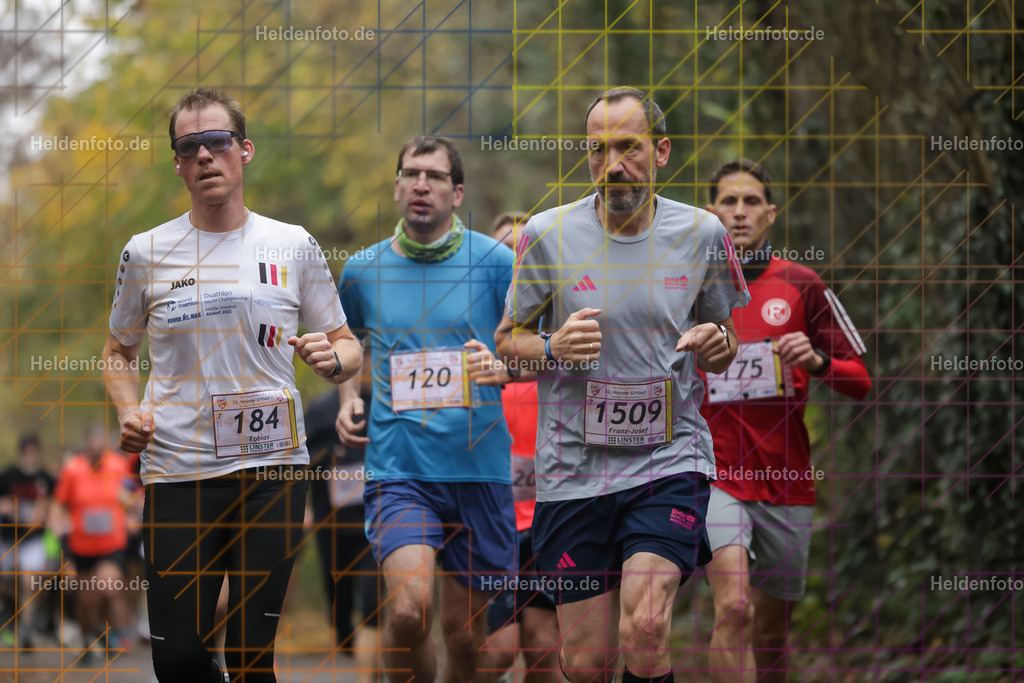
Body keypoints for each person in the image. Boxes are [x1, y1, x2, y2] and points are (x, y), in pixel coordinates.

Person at [101, 87, 362, 683]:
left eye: (216, 142)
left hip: (272, 471)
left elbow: (348, 347)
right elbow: (117, 354)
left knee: (249, 657)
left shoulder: (291, 243)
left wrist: (333, 360)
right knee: (177, 661)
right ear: (177, 162)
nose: (204, 156)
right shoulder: (146, 252)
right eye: (188, 146)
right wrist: (127, 411)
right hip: (179, 471)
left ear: (244, 151)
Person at [496, 87, 751, 683]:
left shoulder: (703, 232)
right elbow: (509, 343)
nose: (614, 164)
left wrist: (718, 344)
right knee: (585, 664)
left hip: (668, 461)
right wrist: (550, 346)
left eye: (629, 147)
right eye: (598, 150)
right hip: (573, 472)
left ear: (661, 151)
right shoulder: (546, 233)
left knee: (645, 626)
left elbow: (725, 336)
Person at [335, 135, 517, 682]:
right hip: (401, 469)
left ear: (457, 192)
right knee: (410, 611)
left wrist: (504, 367)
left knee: (466, 638)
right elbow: (349, 344)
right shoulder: (363, 271)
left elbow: (530, 346)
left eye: (435, 176)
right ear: (396, 188)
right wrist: (348, 398)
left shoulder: (497, 262)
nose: (421, 185)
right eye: (411, 174)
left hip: (478, 468)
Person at [701, 159, 871, 683]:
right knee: (733, 609)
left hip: (786, 478)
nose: (739, 212)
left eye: (751, 202)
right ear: (710, 212)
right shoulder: (688, 285)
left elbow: (860, 381)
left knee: (772, 633)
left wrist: (816, 362)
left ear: (770, 214)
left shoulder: (803, 284)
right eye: (728, 202)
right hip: (714, 472)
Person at [483, 212, 561, 683]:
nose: (513, 260)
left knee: (543, 647)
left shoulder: (560, 323)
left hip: (550, 514)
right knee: (494, 654)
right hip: (488, 516)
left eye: (523, 249)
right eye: (502, 251)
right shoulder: (472, 324)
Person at [304, 384, 380, 683]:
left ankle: (368, 673)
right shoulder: (321, 409)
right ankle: (344, 634)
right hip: (332, 523)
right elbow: (301, 460)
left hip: (374, 523)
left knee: (374, 602)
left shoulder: (385, 404)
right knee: (339, 601)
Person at [52, 426, 130, 666]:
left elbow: (131, 494)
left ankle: (112, 633)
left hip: (112, 544)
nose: (97, 453)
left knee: (108, 586)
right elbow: (59, 504)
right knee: (86, 600)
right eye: (93, 447)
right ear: (87, 446)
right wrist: (56, 524)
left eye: (101, 447)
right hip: (81, 546)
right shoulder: (73, 469)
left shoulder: (118, 465)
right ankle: (88, 639)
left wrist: (133, 510)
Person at [0, 433, 57, 649]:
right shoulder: (6, 476)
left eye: (34, 453)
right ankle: (11, 613)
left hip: (33, 540)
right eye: (27, 453)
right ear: (20, 453)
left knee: (28, 581)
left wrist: (44, 513)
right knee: (7, 584)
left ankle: (26, 626)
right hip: (8, 539)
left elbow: (55, 503)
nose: (30, 457)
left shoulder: (45, 479)